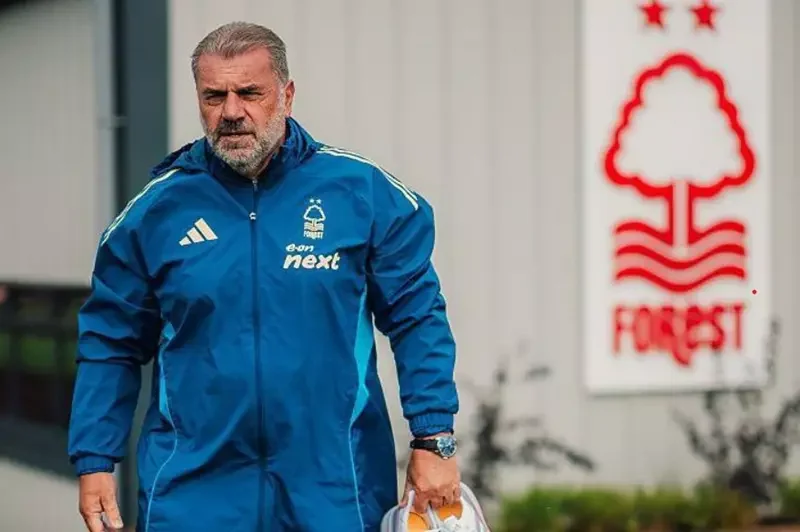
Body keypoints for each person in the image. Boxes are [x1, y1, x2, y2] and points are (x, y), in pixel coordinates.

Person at [67, 21, 461, 532]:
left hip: (335, 489)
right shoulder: (154, 214)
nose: (231, 112)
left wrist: (434, 439)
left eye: (249, 93)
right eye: (214, 96)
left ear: (287, 95)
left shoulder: (363, 194)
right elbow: (110, 342)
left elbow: (417, 317)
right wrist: (95, 458)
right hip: (192, 494)